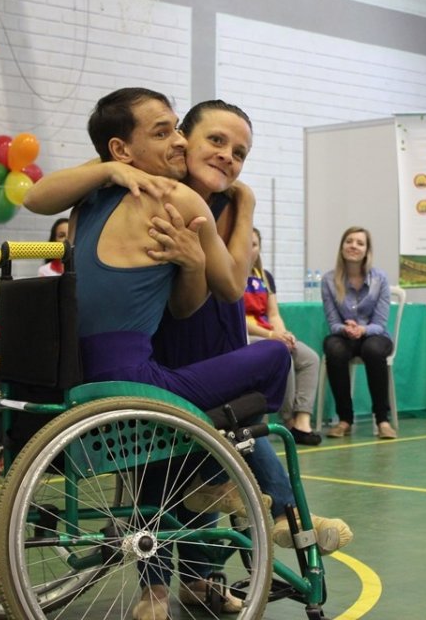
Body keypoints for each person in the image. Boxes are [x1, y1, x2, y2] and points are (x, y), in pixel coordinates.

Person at [26, 89, 350, 620]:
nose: (226, 155)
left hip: (209, 342)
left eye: (240, 152)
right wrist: (110, 170)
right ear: (183, 142)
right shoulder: (150, 187)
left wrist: (239, 211)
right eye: (212, 140)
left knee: (226, 433)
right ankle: (173, 575)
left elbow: (232, 278)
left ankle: (214, 569)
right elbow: (45, 194)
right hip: (160, 350)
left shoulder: (212, 201)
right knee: (171, 463)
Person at [245, 227, 322, 445]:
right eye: (245, 244)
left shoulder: (265, 277)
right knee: (281, 356)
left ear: (259, 249)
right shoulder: (230, 276)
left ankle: (302, 420)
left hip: (268, 332)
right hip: (248, 336)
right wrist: (271, 335)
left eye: (254, 245)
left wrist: (283, 333)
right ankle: (287, 419)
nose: (249, 249)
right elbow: (239, 320)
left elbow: (273, 314)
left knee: (309, 358)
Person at [321, 226, 397, 439]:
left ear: (367, 251)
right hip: (345, 335)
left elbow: (381, 323)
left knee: (373, 349)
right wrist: (346, 329)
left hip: (375, 335)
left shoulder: (379, 279)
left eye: (360, 243)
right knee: (333, 348)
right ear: (342, 247)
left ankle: (382, 420)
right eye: (349, 241)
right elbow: (333, 322)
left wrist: (362, 329)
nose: (353, 246)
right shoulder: (328, 280)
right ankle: (345, 419)